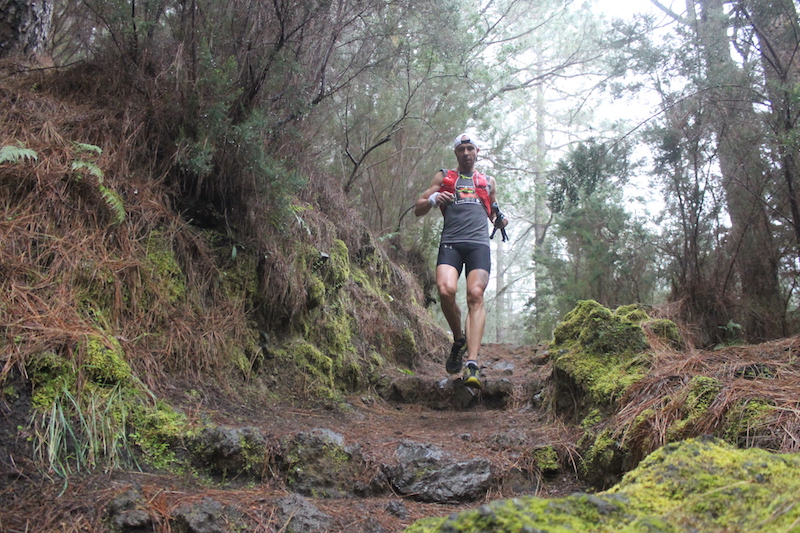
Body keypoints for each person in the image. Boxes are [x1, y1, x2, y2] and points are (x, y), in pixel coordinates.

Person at [414, 133, 508, 389]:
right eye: (461, 149)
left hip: (478, 245)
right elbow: (418, 207)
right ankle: (459, 338)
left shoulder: (487, 182)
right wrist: (433, 200)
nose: (466, 153)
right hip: (451, 243)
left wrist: (501, 221)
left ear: (477, 152)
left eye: (470, 148)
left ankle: (473, 364)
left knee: (475, 295)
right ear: (456, 153)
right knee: (446, 290)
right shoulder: (444, 177)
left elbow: (494, 212)